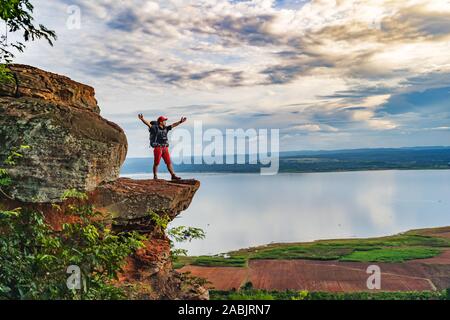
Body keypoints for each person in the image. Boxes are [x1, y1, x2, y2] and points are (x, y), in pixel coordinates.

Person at [138, 113, 187, 180]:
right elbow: (148, 124)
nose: (165, 122)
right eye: (164, 121)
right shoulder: (155, 128)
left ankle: (173, 175)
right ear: (160, 122)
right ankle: (155, 176)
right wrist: (142, 119)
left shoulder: (166, 128)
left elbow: (173, 125)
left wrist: (180, 121)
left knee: (168, 162)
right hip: (158, 148)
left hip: (165, 148)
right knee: (156, 163)